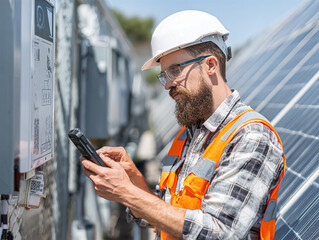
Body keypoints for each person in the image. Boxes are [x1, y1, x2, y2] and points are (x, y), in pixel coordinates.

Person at [81, 10, 285, 240]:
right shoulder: (191, 133)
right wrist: (134, 183)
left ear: (210, 65)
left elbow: (220, 233)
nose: (168, 84)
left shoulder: (251, 136)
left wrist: (128, 194)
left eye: (175, 70)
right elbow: (171, 215)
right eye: (164, 75)